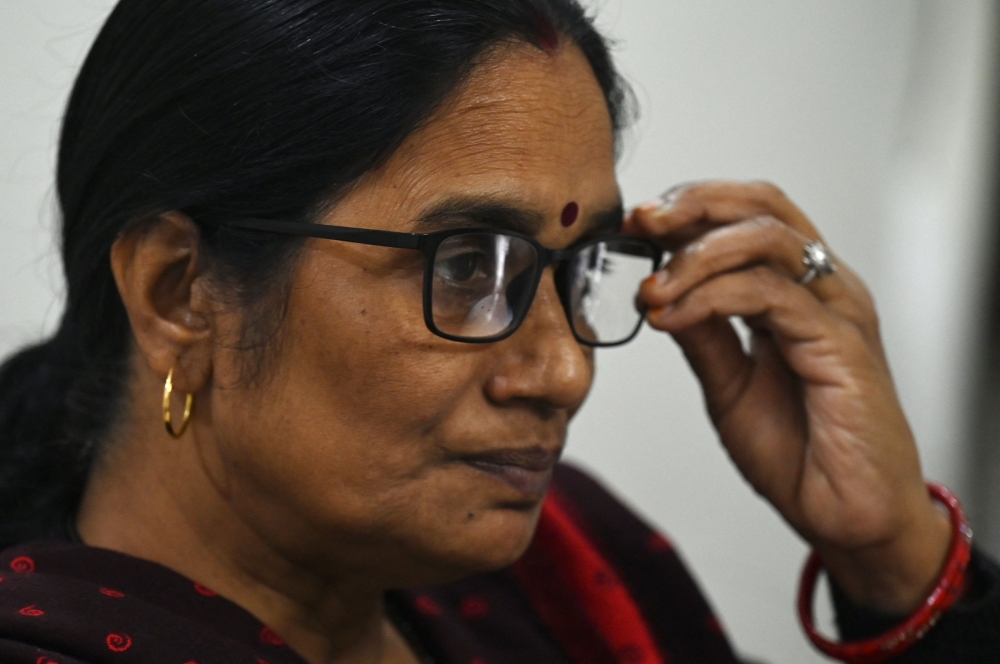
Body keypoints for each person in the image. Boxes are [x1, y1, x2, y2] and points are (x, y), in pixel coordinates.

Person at [0, 1, 996, 663]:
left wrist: (893, 556)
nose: (563, 371)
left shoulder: (568, 562)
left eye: (577, 268)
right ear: (181, 293)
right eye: (466, 264)